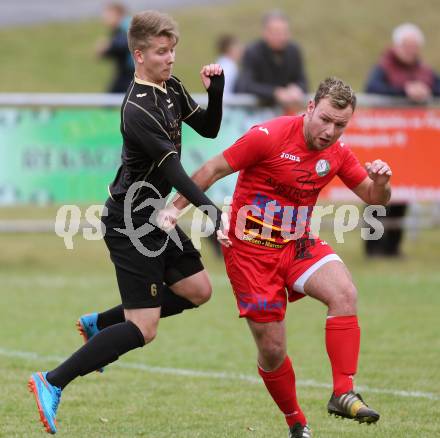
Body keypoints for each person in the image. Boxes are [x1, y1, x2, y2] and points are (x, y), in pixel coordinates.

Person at [28, 10, 230, 434]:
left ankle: (101, 323)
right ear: (138, 55)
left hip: (154, 214)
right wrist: (212, 212)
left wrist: (218, 92)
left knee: (198, 290)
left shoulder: (170, 87)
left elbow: (209, 130)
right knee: (144, 327)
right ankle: (51, 381)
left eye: (173, 50)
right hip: (131, 221)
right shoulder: (136, 110)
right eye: (161, 52)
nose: (170, 59)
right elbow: (175, 172)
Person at [159, 77, 391, 438]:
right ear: (310, 108)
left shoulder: (338, 152)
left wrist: (381, 181)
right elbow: (211, 170)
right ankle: (296, 422)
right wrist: (173, 210)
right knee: (272, 349)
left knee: (344, 293)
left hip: (296, 244)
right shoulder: (267, 136)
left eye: (341, 125)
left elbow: (374, 198)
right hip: (250, 254)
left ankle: (343, 392)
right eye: (326, 120)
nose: (331, 131)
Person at [365, 23, 440, 257]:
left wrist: (425, 92)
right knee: (375, 193)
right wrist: (404, 92)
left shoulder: (425, 72)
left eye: (414, 46)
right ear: (397, 46)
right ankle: (373, 246)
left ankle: (392, 246)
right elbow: (372, 89)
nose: (411, 50)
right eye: (407, 45)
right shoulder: (383, 68)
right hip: (384, 142)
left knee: (402, 193)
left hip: (410, 145)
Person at [235, 9, 308, 113]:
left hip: (285, 114)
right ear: (265, 32)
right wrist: (275, 92)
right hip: (255, 113)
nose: (281, 37)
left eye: (285, 32)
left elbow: (303, 80)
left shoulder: (294, 50)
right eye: (276, 32)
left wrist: (297, 88)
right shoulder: (252, 51)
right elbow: (246, 85)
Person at [96, 3, 135, 93]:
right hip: (127, 73)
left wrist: (108, 46)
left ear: (116, 14)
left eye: (108, 15)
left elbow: (125, 43)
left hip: (131, 73)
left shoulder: (126, 25)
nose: (104, 19)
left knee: (112, 98)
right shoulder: (120, 28)